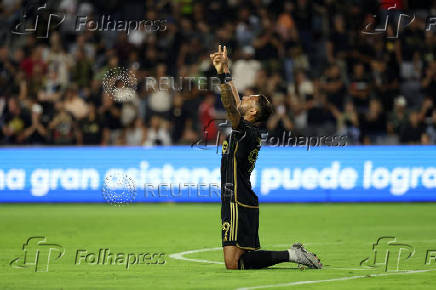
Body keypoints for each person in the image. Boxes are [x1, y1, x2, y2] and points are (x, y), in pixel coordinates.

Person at [210, 45, 322, 270]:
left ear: (252, 112)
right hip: (242, 198)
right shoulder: (248, 131)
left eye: (249, 99)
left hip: (236, 200)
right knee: (240, 262)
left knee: (233, 263)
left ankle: (292, 254)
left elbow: (231, 105)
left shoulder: (244, 129)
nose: (244, 97)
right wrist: (225, 70)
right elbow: (234, 100)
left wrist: (222, 77)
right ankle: (293, 254)